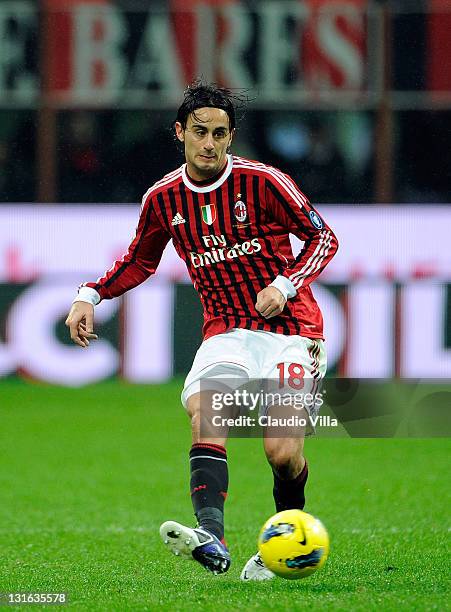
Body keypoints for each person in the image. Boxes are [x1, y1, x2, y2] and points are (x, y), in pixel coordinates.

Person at [65, 81, 338, 580]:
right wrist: (91, 294)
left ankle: (288, 523)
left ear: (231, 137)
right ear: (180, 133)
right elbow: (139, 261)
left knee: (282, 452)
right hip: (226, 332)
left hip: (293, 331)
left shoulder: (265, 183)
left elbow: (323, 236)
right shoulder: (163, 197)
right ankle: (212, 534)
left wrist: (286, 282)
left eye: (219, 133)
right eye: (198, 132)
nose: (208, 143)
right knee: (205, 412)